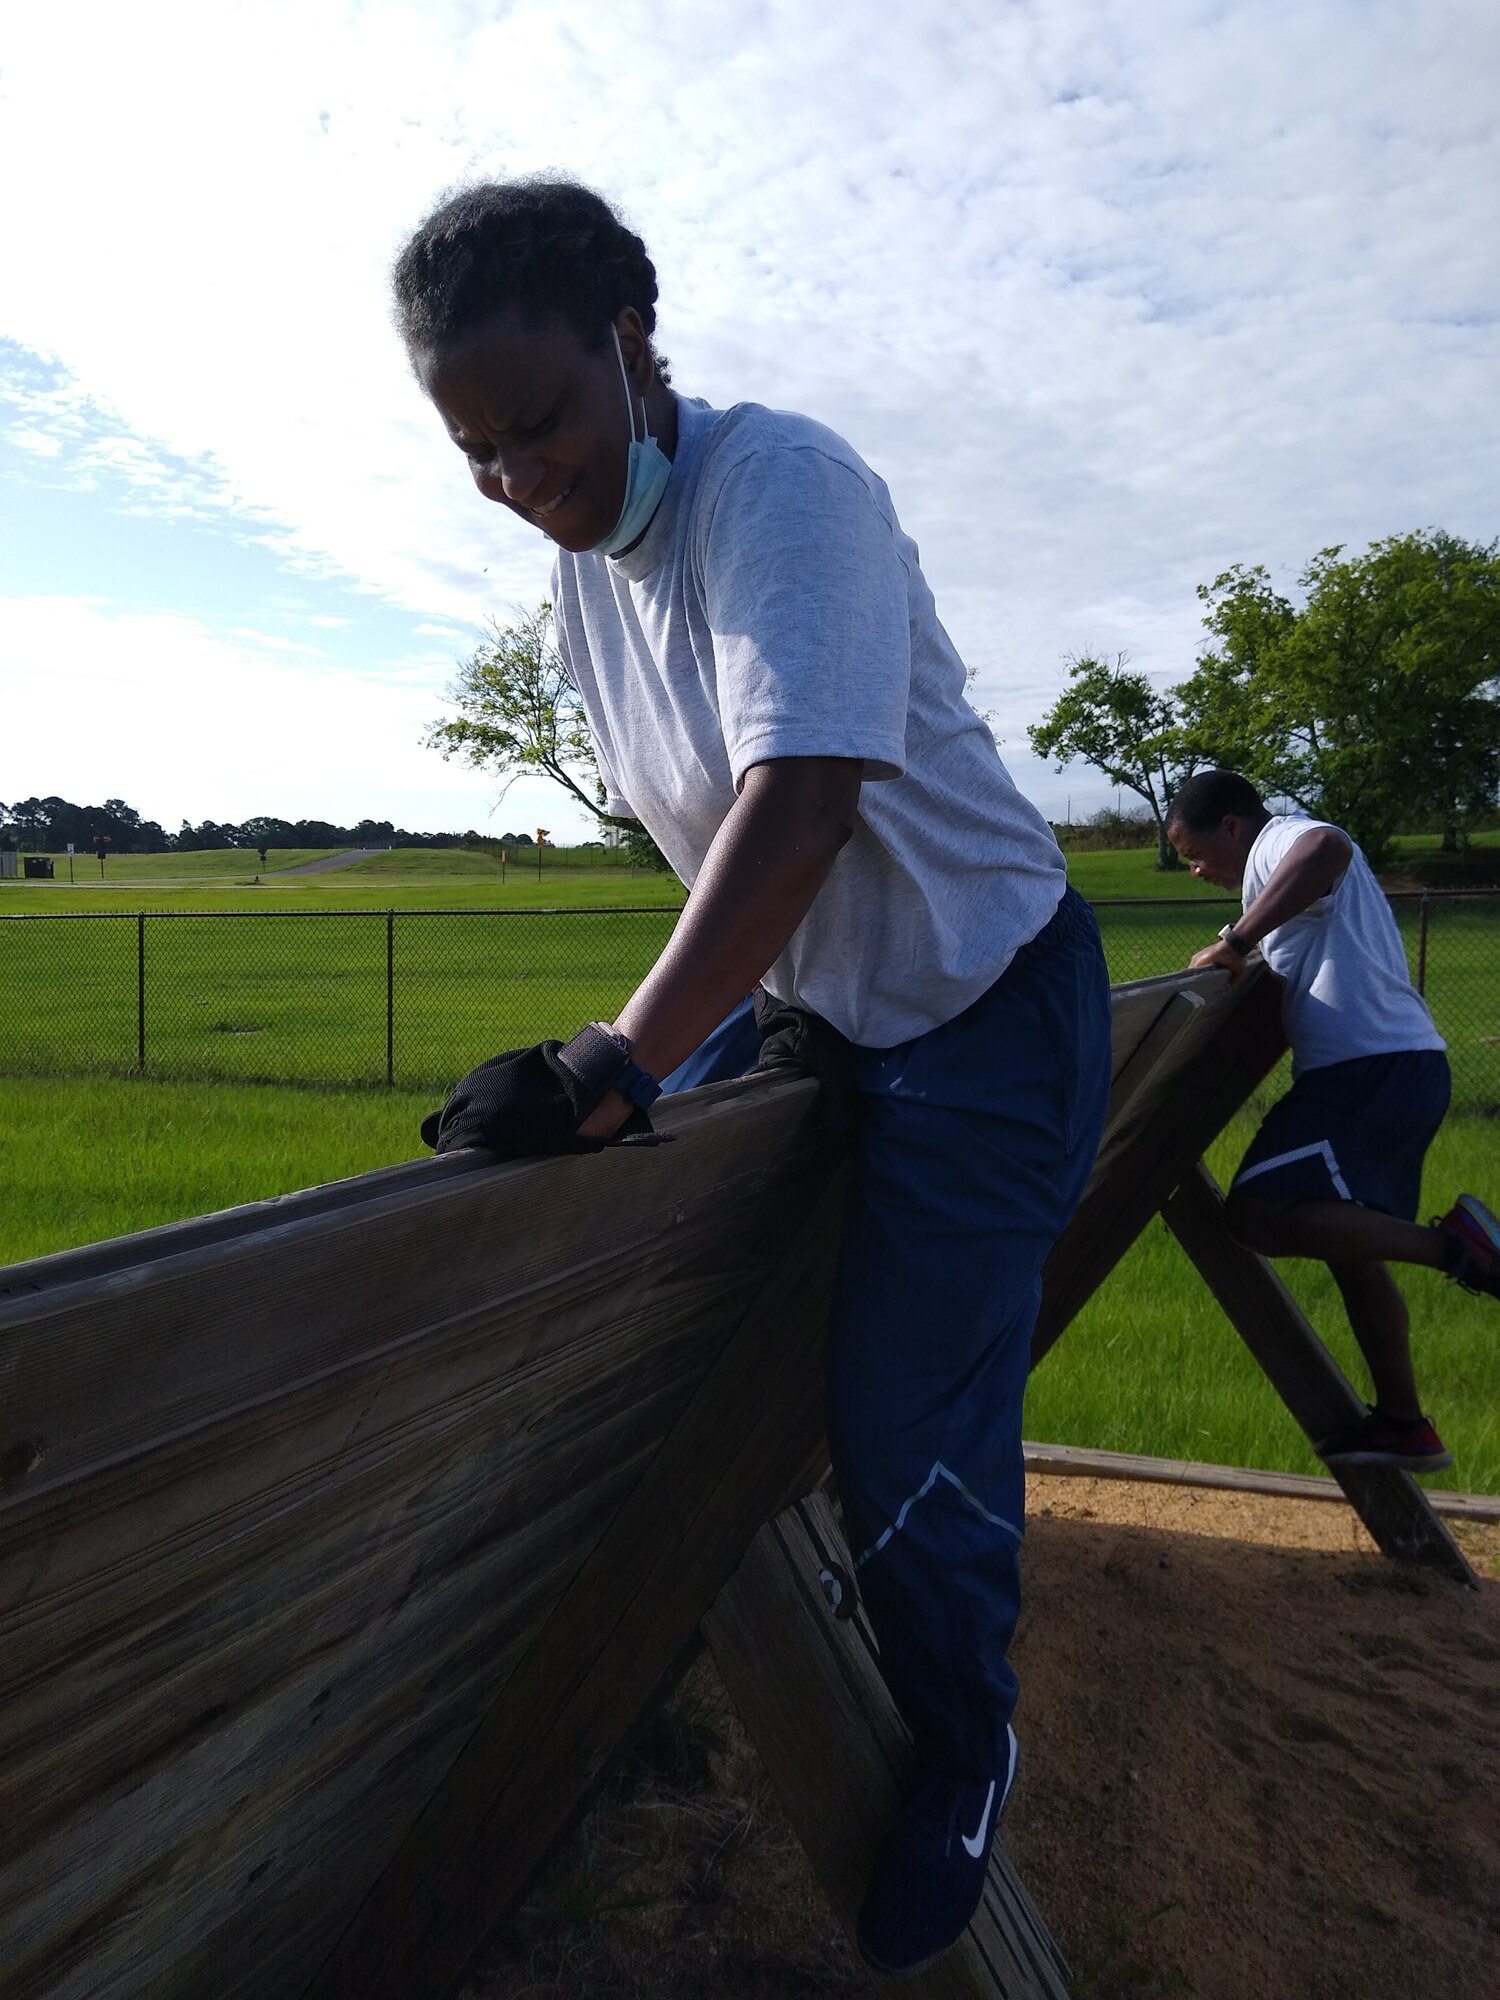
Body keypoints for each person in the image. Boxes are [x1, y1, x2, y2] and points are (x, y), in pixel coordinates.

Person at [392, 177, 1112, 1974]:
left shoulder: (778, 484)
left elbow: (804, 792)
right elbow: (712, 841)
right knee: (575, 1210)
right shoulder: (585, 584)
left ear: (633, 348)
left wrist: (629, 1051)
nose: (513, 475)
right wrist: (688, 1045)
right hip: (831, 999)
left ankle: (962, 1738)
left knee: (902, 1413)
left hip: (980, 1001)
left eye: (536, 420)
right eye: (470, 448)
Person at [1169, 769, 1500, 1472]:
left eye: (1193, 853)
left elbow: (1327, 849)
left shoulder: (1278, 842)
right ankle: (1404, 1424)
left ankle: (1462, 1249)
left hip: (1367, 1072)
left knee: (1256, 1212)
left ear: (1231, 826)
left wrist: (1234, 939)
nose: (1195, 871)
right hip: (1401, 1067)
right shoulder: (1271, 877)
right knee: (1353, 1257)